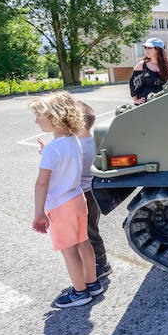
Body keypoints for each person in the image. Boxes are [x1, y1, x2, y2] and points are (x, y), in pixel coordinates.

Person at [30, 91, 104, 308]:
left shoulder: (53, 149)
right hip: (77, 199)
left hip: (61, 205)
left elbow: (42, 183)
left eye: (39, 116)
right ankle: (92, 284)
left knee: (69, 250)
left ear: (54, 117)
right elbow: (64, 160)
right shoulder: (73, 140)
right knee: (84, 243)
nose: (36, 120)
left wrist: (39, 213)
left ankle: (79, 293)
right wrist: (48, 151)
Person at [76, 101, 112, 279]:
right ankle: (95, 262)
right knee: (91, 228)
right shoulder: (95, 141)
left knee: (89, 231)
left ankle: (102, 263)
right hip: (94, 191)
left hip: (84, 193)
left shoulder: (78, 147)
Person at [130, 38, 168, 105]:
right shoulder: (142, 65)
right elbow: (133, 83)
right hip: (146, 103)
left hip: (164, 103)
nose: (146, 50)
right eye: (145, 47)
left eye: (149, 48)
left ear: (158, 49)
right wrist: (135, 100)